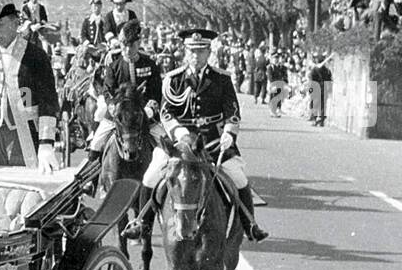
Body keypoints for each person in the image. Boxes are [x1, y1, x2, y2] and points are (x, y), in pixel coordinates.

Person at [123, 28, 268, 243]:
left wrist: (229, 132)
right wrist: (179, 133)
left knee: (238, 178)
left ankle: (250, 225)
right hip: (179, 143)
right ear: (184, 52)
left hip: (212, 142)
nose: (196, 56)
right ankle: (142, 224)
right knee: (150, 176)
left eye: (201, 51)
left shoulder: (222, 79)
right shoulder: (173, 79)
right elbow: (165, 112)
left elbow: (233, 112)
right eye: (191, 51)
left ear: (209, 52)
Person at [0, 0, 61, 173]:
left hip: (25, 135)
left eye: (0, 24)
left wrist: (46, 143)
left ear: (15, 23)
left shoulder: (36, 56)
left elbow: (48, 102)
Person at [89, 19, 166, 153]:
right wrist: (113, 106)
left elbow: (156, 91)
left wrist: (150, 108)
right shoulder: (114, 67)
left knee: (167, 145)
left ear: (139, 43)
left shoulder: (150, 64)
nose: (128, 49)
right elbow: (107, 91)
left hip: (144, 114)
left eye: (132, 45)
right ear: (120, 44)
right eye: (124, 45)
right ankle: (91, 171)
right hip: (119, 114)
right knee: (95, 145)